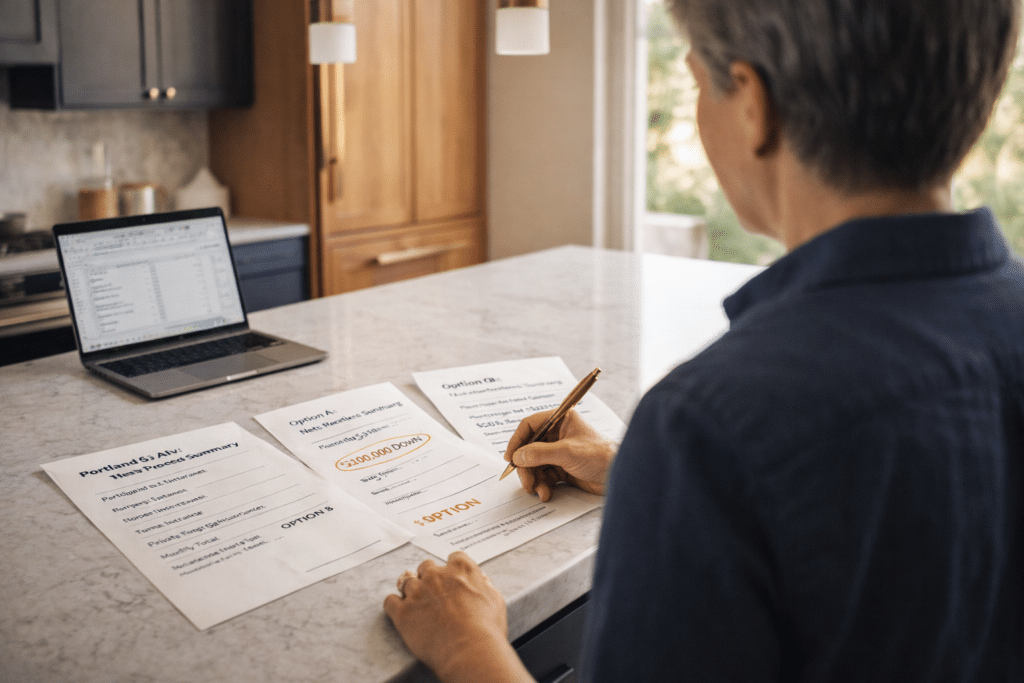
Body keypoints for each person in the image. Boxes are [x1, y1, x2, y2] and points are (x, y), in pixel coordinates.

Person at [382, 0, 1024, 681]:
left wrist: (466, 647)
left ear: (753, 104)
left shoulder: (710, 424)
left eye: (694, 82)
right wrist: (650, 476)